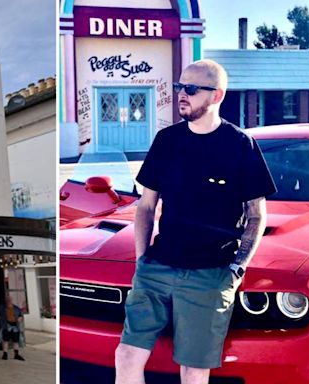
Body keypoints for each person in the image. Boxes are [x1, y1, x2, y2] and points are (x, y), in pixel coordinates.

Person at [115, 59, 277, 384]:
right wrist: (141, 260)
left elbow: (257, 214)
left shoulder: (240, 145)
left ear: (216, 96)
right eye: (178, 87)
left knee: (192, 371)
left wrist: (237, 267)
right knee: (126, 355)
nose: (181, 95)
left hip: (210, 273)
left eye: (190, 89)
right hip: (157, 267)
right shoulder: (167, 141)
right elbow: (146, 206)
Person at [0, 296, 25, 361]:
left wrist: (20, 319)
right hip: (6, 326)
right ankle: (5, 354)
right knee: (5, 340)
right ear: (6, 300)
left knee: (15, 341)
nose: (9, 301)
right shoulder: (2, 307)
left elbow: (21, 316)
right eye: (7, 300)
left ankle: (16, 354)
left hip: (15, 326)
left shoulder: (16, 308)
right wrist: (1, 318)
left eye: (10, 300)